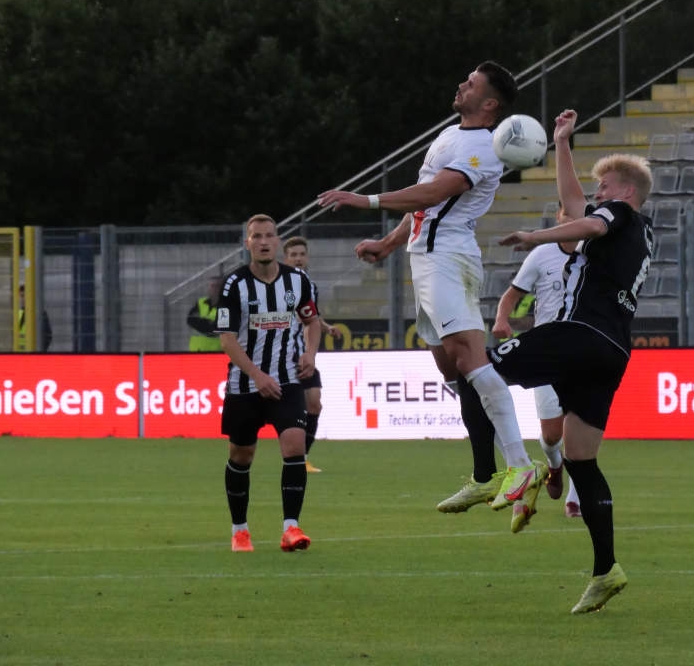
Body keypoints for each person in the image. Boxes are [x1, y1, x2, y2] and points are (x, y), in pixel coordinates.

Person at [318, 60, 543, 534]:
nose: (461, 84)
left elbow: (435, 193)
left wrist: (366, 200)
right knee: (453, 371)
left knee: (471, 360)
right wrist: (388, 244)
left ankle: (522, 465)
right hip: (425, 257)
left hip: (448, 257)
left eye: (472, 84)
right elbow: (424, 205)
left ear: (490, 103)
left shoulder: (483, 147)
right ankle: (485, 475)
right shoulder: (451, 134)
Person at [488, 108, 653, 613]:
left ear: (625, 192)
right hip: (613, 351)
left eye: (605, 186)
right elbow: (577, 206)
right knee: (581, 458)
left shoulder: (619, 214)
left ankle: (506, 471)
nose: (598, 192)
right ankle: (606, 570)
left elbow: (592, 219)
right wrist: (562, 142)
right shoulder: (640, 230)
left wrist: (534, 236)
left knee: (480, 370)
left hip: (581, 333)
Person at [216, 214, 321, 553]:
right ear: (247, 243)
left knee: (294, 445)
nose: (263, 241)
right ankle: (240, 530)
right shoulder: (234, 285)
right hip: (245, 384)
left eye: (269, 236)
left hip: (287, 380)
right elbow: (227, 339)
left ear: (277, 241)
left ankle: (291, 528)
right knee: (241, 454)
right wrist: (257, 375)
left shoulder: (298, 281)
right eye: (256, 236)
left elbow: (312, 321)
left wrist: (310, 354)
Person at [491, 206, 582, 519]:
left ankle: (575, 498)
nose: (571, 217)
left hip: (583, 349)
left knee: (580, 425)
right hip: (548, 350)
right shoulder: (542, 254)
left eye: (578, 212)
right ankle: (554, 465)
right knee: (552, 435)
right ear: (558, 217)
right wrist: (502, 319)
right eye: (566, 212)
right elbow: (512, 295)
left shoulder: (594, 252)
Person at [282, 236, 343, 473]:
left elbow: (310, 316)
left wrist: (326, 327)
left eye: (301, 254)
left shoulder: (309, 285)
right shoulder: (277, 283)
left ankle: (303, 458)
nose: (298, 259)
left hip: (302, 355)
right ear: (285, 258)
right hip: (280, 355)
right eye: (293, 255)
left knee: (314, 403)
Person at [187, 276, 224, 352]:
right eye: (212, 286)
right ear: (208, 288)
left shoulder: (227, 306)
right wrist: (209, 323)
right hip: (196, 350)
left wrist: (201, 321)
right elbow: (190, 320)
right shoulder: (200, 302)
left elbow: (218, 328)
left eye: (218, 286)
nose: (215, 289)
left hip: (216, 351)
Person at [17, 284, 53, 352]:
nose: (22, 299)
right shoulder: (18, 314)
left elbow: (48, 336)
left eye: (24, 296)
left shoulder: (40, 313)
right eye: (21, 296)